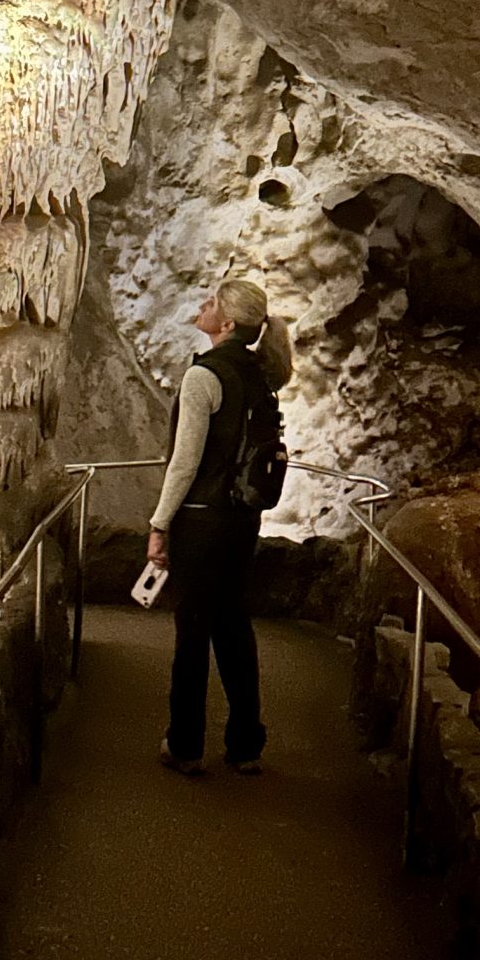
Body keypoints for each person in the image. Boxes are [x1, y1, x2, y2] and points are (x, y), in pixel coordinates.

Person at [147, 276, 292, 776]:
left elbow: (184, 463)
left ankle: (185, 744)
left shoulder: (204, 376)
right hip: (242, 520)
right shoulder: (260, 376)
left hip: (202, 520)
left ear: (227, 323)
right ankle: (246, 743)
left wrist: (159, 523)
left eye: (210, 302)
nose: (201, 306)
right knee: (233, 626)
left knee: (192, 633)